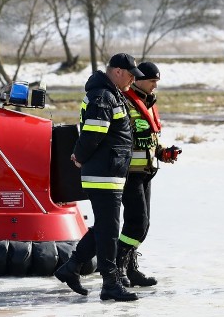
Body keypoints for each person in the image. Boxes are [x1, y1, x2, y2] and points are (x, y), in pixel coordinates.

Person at [54, 53, 141, 301]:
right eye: (131, 75)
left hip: (109, 172)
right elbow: (93, 132)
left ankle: (71, 268)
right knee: (109, 230)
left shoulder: (109, 94)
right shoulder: (103, 96)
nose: (133, 80)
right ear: (117, 71)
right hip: (103, 173)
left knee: (105, 227)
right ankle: (110, 283)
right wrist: (79, 156)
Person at [115, 61, 181, 287]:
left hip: (146, 171)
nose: (155, 86)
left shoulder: (149, 103)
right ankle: (118, 267)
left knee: (143, 224)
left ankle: (130, 269)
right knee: (137, 224)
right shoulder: (125, 101)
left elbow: (151, 139)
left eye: (157, 82)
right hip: (129, 172)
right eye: (152, 81)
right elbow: (121, 137)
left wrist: (163, 153)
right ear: (138, 79)